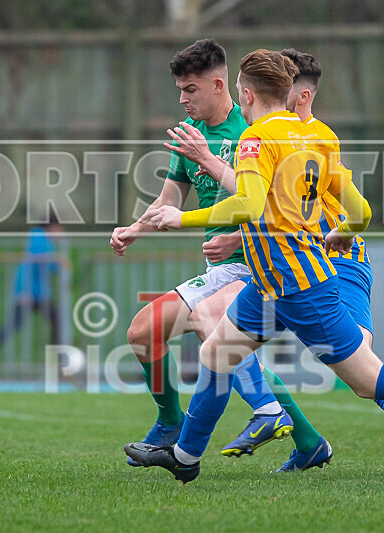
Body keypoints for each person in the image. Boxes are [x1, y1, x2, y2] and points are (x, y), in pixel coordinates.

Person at [125, 49, 384, 484]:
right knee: (217, 353)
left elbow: (248, 203)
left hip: (298, 287)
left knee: (371, 380)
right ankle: (185, 457)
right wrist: (346, 229)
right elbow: (361, 209)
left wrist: (181, 218)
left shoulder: (255, 139)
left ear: (245, 94)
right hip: (270, 283)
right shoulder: (317, 136)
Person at [110, 39, 297, 466]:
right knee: (143, 332)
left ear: (218, 84)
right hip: (219, 270)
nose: (182, 98)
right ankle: (172, 421)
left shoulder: (253, 130)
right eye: (178, 88)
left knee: (217, 332)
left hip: (261, 265)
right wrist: (134, 229)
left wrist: (239, 234)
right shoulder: (190, 137)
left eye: (189, 89)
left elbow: (272, 202)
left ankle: (267, 414)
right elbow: (169, 200)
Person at [0, 216, 66, 372]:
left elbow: (47, 266)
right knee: (17, 323)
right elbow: (38, 258)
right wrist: (57, 259)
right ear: (52, 227)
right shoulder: (38, 236)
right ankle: (57, 361)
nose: (61, 232)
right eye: (59, 228)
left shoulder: (45, 240)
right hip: (29, 291)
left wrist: (57, 265)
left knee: (52, 322)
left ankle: (57, 360)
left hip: (39, 292)